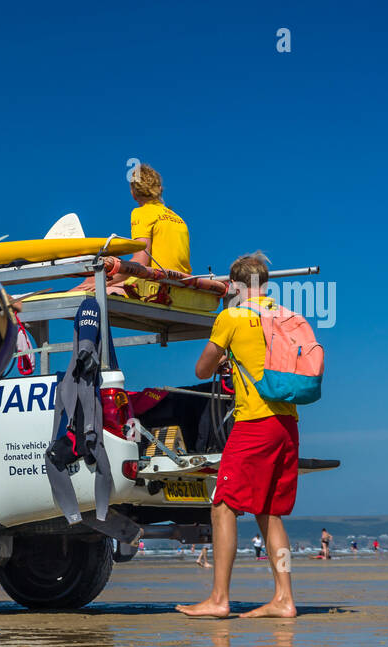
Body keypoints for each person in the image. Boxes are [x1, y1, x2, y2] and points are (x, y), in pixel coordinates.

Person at [178, 254, 299, 619]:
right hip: (288, 423)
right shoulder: (287, 316)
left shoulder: (230, 317)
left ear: (234, 286)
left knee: (223, 504)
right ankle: (284, 598)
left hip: (254, 424)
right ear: (265, 283)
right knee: (270, 513)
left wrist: (226, 353)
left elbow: (202, 368)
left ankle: (218, 598)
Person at [73, 162, 191, 294]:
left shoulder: (142, 213)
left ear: (133, 192)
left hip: (158, 286)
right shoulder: (178, 218)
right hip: (180, 285)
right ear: (160, 188)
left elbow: (141, 260)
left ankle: (62, 296)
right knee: (96, 278)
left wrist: (104, 282)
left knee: (89, 289)